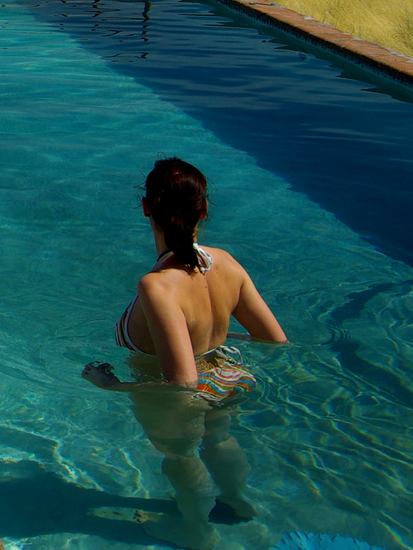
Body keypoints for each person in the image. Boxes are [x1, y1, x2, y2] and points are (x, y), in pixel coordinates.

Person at [82, 158, 287, 550]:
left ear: (145, 208)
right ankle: (238, 502)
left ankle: (196, 532)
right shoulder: (226, 263)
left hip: (186, 395)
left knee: (180, 454)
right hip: (228, 374)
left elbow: (183, 384)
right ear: (204, 210)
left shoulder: (157, 286)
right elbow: (275, 340)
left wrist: (112, 385)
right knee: (220, 439)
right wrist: (225, 336)